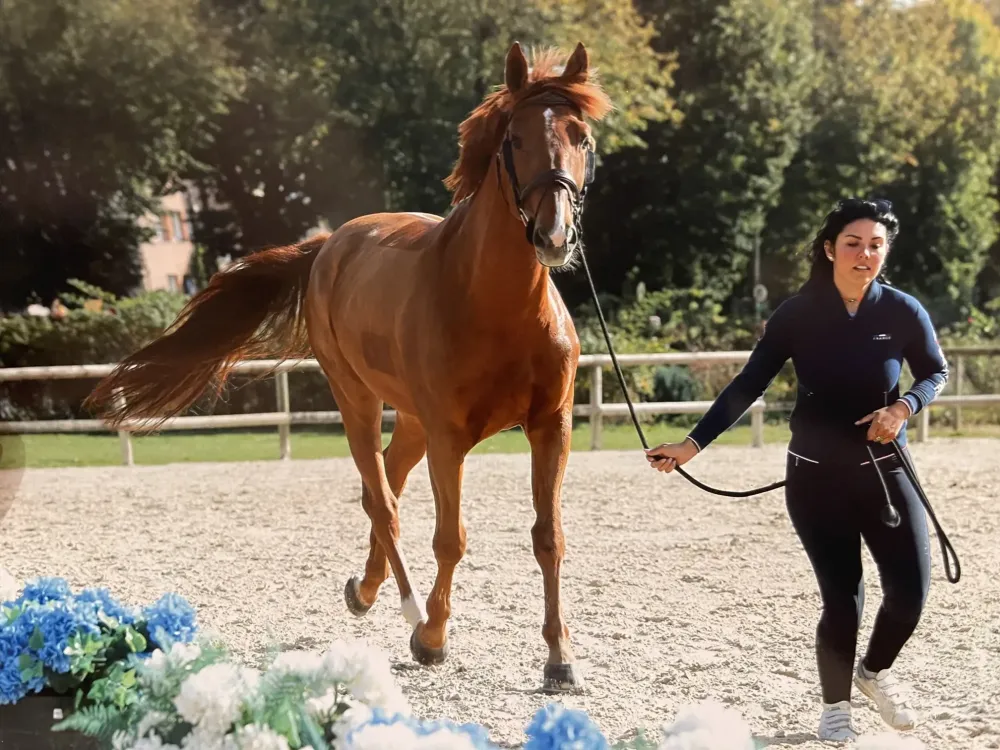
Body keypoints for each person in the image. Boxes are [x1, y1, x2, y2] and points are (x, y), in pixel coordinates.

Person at [644, 198, 948, 742]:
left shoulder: (903, 311)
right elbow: (748, 384)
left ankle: (872, 675)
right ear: (830, 249)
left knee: (911, 593)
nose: (865, 254)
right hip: (816, 478)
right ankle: (835, 706)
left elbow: (935, 372)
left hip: (886, 472)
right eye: (853, 244)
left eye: (876, 245)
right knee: (843, 597)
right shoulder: (797, 314)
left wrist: (904, 408)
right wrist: (694, 443)